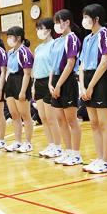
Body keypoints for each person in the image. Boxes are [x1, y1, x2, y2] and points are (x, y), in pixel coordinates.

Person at [79, 4, 107, 174]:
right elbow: (82, 65)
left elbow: (104, 63)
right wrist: (82, 86)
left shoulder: (106, 35)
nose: (84, 20)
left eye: (87, 17)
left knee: (103, 122)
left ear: (96, 19)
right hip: (87, 79)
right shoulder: (87, 39)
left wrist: (91, 86)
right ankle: (99, 157)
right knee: (93, 123)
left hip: (101, 80)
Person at [49, 9, 83, 166]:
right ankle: (67, 151)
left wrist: (59, 85)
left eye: (58, 22)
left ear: (67, 22)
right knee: (60, 119)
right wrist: (51, 83)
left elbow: (70, 63)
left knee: (71, 120)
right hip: (55, 80)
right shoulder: (56, 42)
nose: (56, 25)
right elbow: (52, 66)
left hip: (67, 80)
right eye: (55, 22)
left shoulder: (72, 38)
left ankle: (76, 154)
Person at [3, 26, 34, 153]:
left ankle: (28, 143)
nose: (9, 39)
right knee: (14, 115)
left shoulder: (25, 51)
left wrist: (22, 91)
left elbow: (27, 73)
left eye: (11, 36)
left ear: (19, 37)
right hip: (10, 82)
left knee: (25, 115)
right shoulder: (10, 52)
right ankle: (17, 141)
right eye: (8, 36)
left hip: (21, 81)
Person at [33, 18, 62, 158]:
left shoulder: (54, 44)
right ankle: (50, 145)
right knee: (43, 117)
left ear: (49, 30)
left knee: (51, 118)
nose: (39, 31)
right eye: (37, 28)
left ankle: (58, 146)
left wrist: (51, 83)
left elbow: (53, 66)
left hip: (48, 82)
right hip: (38, 82)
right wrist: (33, 85)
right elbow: (35, 68)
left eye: (41, 28)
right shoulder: (38, 48)